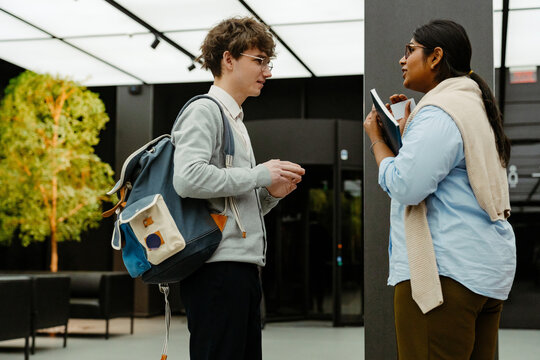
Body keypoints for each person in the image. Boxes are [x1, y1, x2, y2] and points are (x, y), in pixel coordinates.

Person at [363, 19, 516, 359]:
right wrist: (407, 132)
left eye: (410, 50)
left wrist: (378, 141)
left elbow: (406, 186)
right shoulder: (473, 106)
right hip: (482, 273)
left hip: (442, 275)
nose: (402, 60)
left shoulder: (439, 113)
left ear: (435, 57)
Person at [171, 17, 305, 360]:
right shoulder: (205, 110)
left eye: (267, 62)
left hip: (238, 268)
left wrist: (271, 193)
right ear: (228, 59)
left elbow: (234, 205)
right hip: (216, 269)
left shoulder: (235, 120)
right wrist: (260, 175)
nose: (267, 71)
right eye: (258, 61)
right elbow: (187, 179)